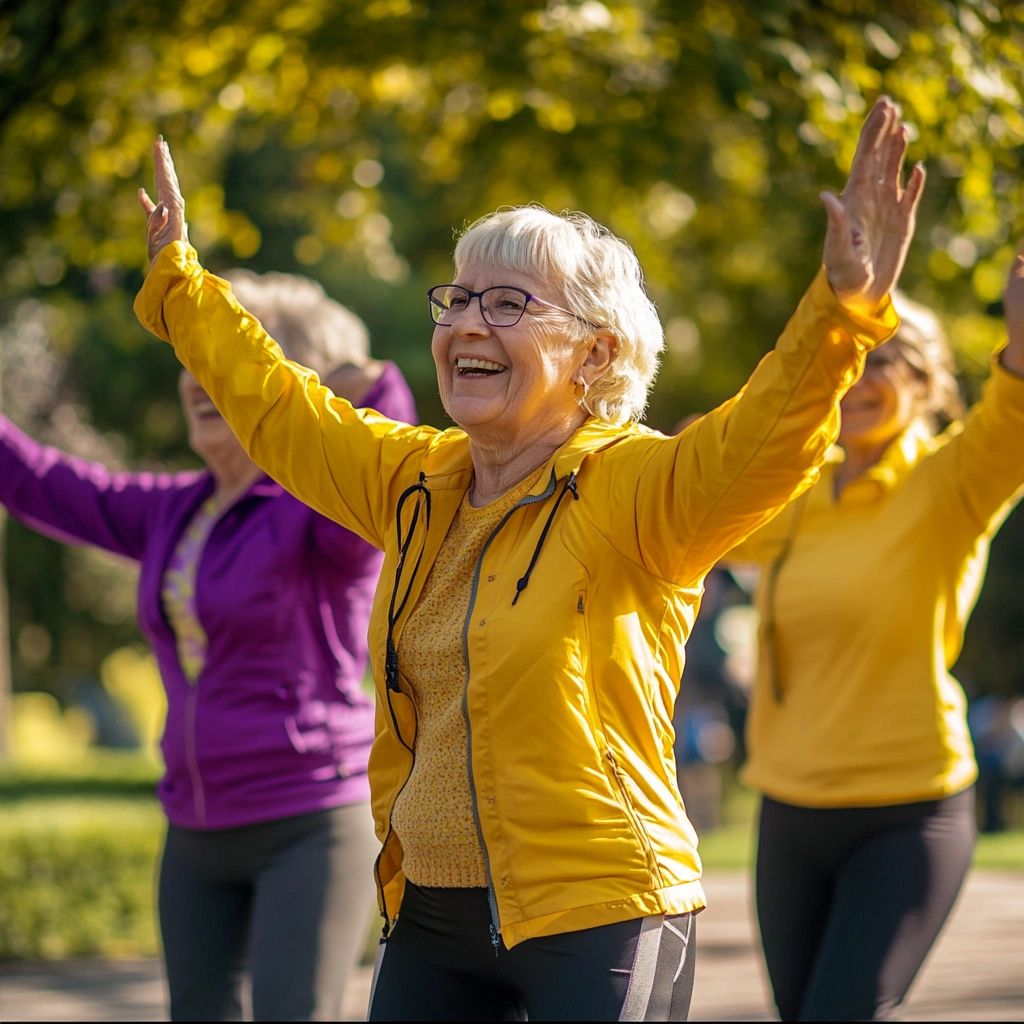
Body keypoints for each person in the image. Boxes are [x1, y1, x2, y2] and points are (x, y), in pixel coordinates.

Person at [134, 98, 921, 1021]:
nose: (468, 323)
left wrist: (842, 315)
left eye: (507, 304)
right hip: (430, 916)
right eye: (458, 299)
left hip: (601, 914)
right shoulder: (414, 479)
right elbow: (279, 407)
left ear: (595, 352)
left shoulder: (639, 490)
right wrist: (180, 287)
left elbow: (767, 435)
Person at [0, 271, 417, 1021]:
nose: (201, 375)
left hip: (308, 820)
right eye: (196, 356)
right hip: (195, 826)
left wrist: (366, 379)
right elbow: (38, 483)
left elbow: (382, 454)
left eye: (227, 355)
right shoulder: (175, 510)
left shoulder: (325, 515)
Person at [724, 272, 1024, 1019]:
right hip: (788, 806)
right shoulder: (793, 487)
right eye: (850, 359)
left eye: (884, 360)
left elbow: (1013, 423)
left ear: (926, 382)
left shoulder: (950, 479)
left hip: (907, 807)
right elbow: (694, 512)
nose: (858, 378)